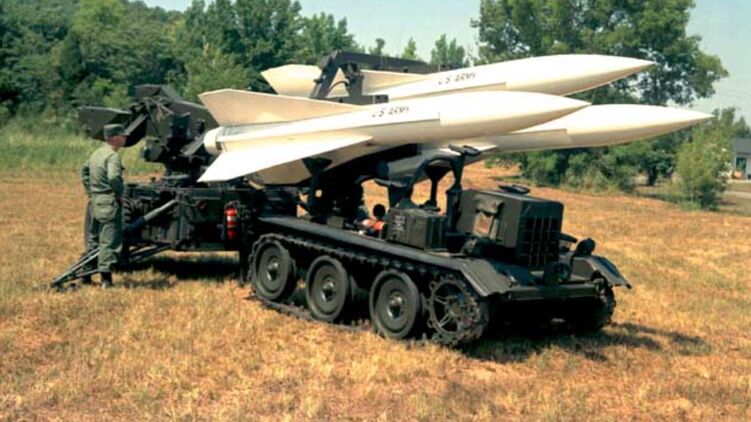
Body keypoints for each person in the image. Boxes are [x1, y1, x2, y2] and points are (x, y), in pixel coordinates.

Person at [81, 124, 127, 288]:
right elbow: (114, 177)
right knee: (109, 241)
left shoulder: (97, 153)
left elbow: (84, 172)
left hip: (95, 201)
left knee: (93, 240)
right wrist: (119, 193)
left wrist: (91, 191)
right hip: (108, 202)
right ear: (114, 138)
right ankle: (106, 280)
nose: (125, 138)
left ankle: (85, 275)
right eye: (122, 135)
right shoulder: (113, 156)